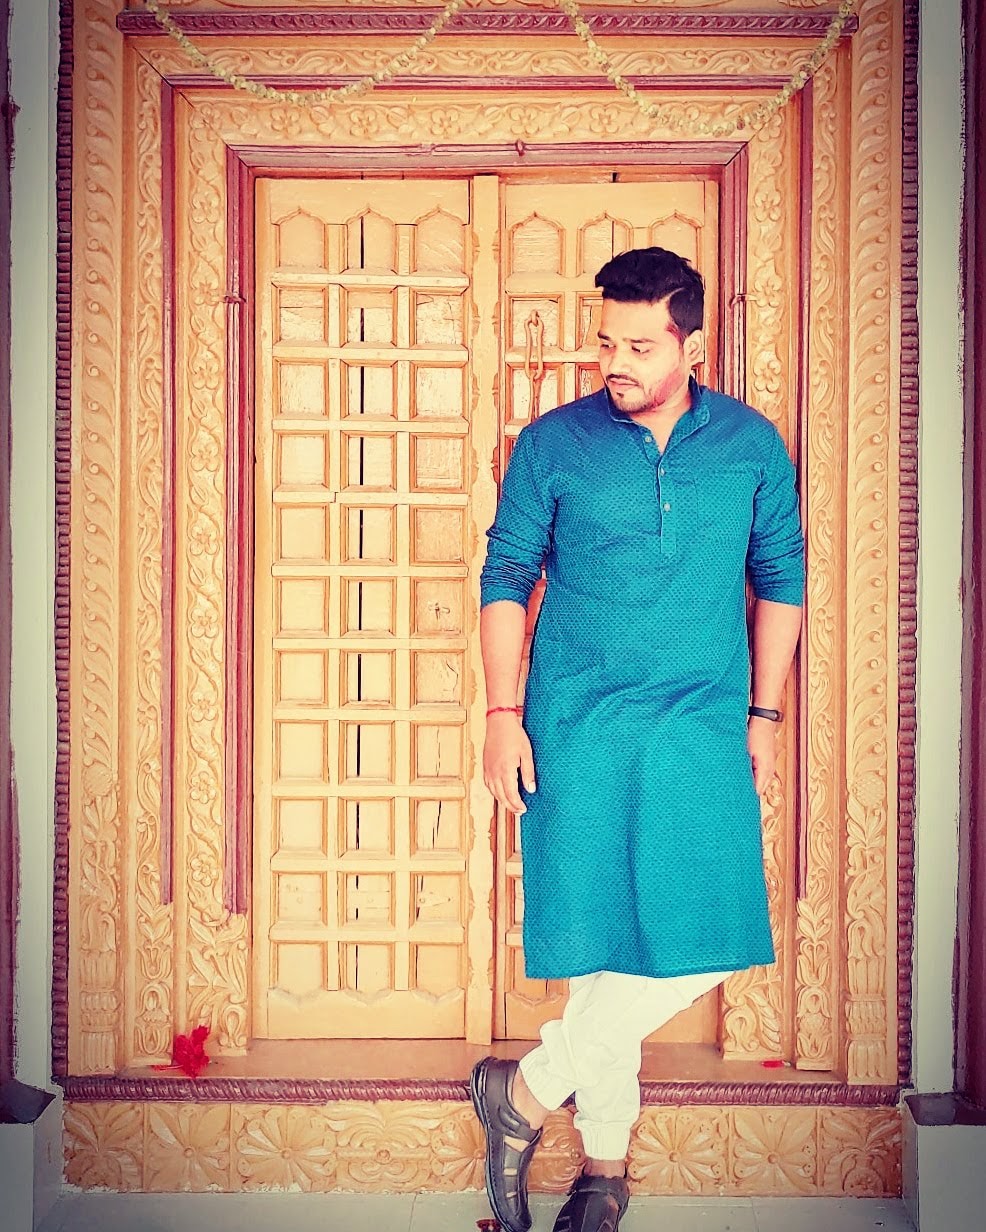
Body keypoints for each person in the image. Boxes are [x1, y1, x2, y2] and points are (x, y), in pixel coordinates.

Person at [469, 247, 805, 1232]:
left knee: (711, 937)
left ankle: (524, 1088)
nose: (616, 361)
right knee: (597, 948)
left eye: (640, 345)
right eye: (606, 342)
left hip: (699, 725)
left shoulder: (749, 445)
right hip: (574, 727)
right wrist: (500, 715)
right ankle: (603, 1173)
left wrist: (764, 716)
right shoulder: (552, 444)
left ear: (690, 344)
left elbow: (780, 581)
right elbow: (505, 575)